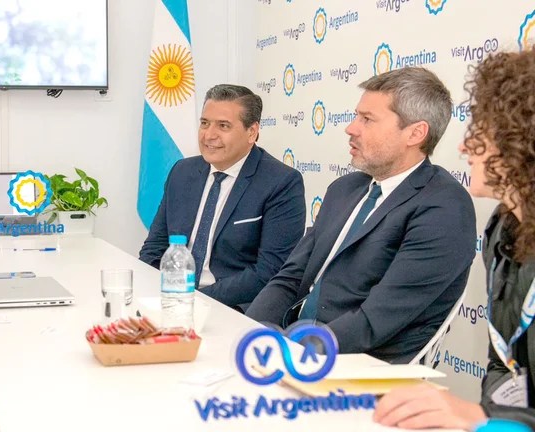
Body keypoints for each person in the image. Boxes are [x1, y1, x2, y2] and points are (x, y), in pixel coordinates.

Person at [247, 67, 477, 363]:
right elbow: (290, 278)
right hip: (298, 344)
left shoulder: (444, 207)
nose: (351, 128)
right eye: (356, 116)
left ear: (415, 133)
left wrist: (295, 353)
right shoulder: (344, 189)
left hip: (360, 363)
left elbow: (376, 320)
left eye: (367, 119)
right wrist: (250, 332)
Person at [374, 49, 535, 430]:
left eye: (480, 131)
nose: (463, 147)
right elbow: (504, 364)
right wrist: (490, 422)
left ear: (521, 138)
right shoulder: (504, 228)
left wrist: (484, 417)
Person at [139, 84, 306, 311]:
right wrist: (157, 293)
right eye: (204, 123)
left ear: (252, 132)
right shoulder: (182, 171)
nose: (209, 135)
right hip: (173, 299)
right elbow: (154, 248)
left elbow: (270, 271)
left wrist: (195, 299)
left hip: (233, 307)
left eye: (223, 126)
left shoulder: (281, 182)